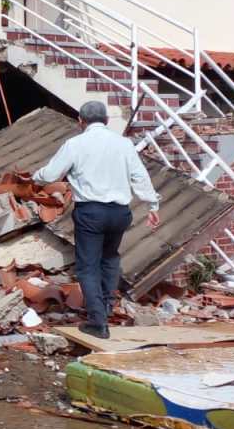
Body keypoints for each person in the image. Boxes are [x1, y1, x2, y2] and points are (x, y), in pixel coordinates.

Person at [33, 101, 160, 340]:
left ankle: (98, 322)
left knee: (88, 266)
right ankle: (107, 307)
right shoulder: (124, 144)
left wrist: (35, 177)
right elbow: (139, 177)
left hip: (91, 212)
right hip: (120, 213)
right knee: (110, 258)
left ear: (80, 121)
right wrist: (152, 204)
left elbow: (50, 175)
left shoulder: (75, 144)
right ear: (106, 121)